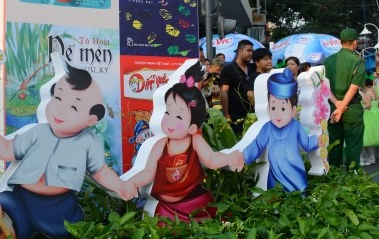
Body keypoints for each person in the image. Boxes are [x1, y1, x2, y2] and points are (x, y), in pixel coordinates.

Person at [0, 62, 137, 239]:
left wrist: (121, 185)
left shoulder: (88, 142)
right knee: (1, 205)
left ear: (91, 119)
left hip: (60, 207)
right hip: (22, 198)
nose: (60, 109)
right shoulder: (37, 132)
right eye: (58, 98)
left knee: (68, 234)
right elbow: (5, 149)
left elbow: (102, 172)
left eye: (73, 107)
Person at [128, 61, 244, 221]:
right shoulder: (160, 145)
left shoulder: (195, 141)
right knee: (164, 228)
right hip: (166, 206)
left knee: (209, 219)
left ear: (192, 127)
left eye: (179, 116)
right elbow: (148, 172)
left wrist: (229, 158)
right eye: (168, 112)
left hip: (195, 201)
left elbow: (211, 159)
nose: (170, 120)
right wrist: (130, 183)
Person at [242, 69, 322, 192]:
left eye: (283, 109)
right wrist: (243, 157)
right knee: (275, 198)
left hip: (296, 174)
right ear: (268, 108)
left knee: (298, 197)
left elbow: (306, 144)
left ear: (294, 110)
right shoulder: (267, 128)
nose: (278, 114)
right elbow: (257, 145)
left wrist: (318, 140)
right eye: (273, 107)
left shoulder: (295, 126)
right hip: (275, 176)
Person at [323, 28, 365, 170]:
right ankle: (353, 178)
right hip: (351, 110)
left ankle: (335, 177)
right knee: (353, 146)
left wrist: (337, 104)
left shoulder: (328, 61)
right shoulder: (358, 61)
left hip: (333, 107)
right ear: (355, 42)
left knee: (334, 145)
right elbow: (353, 88)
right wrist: (342, 108)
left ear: (340, 42)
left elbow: (324, 86)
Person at [220, 40, 255, 135]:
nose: (251, 53)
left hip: (253, 112)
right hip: (236, 113)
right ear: (239, 51)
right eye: (248, 50)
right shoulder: (228, 69)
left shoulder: (253, 67)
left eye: (252, 51)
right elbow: (224, 92)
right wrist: (226, 114)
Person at [359, 78, 379, 166]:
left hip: (368, 114)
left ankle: (369, 157)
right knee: (377, 135)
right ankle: (375, 154)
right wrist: (377, 110)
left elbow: (367, 105)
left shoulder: (367, 93)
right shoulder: (376, 91)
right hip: (376, 112)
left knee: (366, 137)